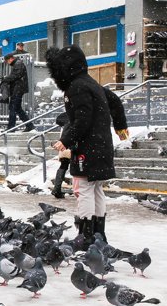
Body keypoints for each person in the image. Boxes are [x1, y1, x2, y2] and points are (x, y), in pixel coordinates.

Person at [48, 45, 128, 246]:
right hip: (101, 146)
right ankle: (99, 235)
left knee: (83, 189)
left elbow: (82, 119)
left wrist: (66, 140)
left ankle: (86, 235)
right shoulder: (90, 83)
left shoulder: (75, 86)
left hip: (88, 148)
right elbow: (115, 101)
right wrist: (120, 126)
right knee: (96, 190)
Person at [2, 53, 34, 132]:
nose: (7, 63)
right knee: (17, 108)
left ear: (10, 59)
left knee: (13, 107)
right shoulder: (17, 64)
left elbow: (16, 76)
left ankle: (11, 128)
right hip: (17, 89)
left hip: (18, 89)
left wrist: (6, 78)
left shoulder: (18, 64)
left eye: (7, 61)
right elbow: (16, 76)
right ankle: (29, 125)